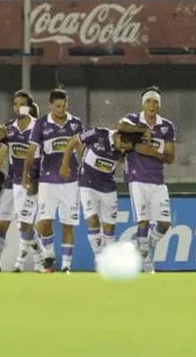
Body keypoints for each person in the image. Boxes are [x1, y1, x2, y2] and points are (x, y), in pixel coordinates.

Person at [22, 89, 85, 273]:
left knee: (68, 224)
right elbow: (32, 151)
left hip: (71, 181)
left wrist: (86, 169)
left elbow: (81, 149)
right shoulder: (41, 124)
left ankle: (66, 265)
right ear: (50, 105)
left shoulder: (76, 123)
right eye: (58, 106)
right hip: (48, 180)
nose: (61, 109)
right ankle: (49, 255)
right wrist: (26, 172)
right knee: (45, 221)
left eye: (64, 105)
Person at [116, 86, 176, 273]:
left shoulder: (166, 126)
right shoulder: (134, 120)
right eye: (149, 101)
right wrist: (142, 131)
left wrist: (153, 153)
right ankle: (147, 265)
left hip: (157, 180)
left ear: (159, 105)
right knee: (142, 221)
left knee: (165, 223)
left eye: (155, 102)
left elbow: (170, 157)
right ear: (143, 104)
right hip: (137, 178)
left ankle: (147, 245)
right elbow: (120, 125)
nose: (152, 105)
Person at [0, 91, 44, 273]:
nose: (18, 107)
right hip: (11, 182)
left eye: (22, 104)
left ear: (29, 106)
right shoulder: (9, 128)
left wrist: (38, 181)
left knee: (24, 225)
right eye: (15, 104)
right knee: (1, 224)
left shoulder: (38, 128)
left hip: (29, 183)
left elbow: (44, 157)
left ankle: (40, 258)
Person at [63, 126, 138, 259]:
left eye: (126, 149)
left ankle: (110, 260)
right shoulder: (99, 134)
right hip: (87, 185)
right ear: (118, 137)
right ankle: (98, 258)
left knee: (109, 228)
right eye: (122, 146)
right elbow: (74, 140)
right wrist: (65, 165)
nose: (122, 150)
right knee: (92, 220)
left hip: (108, 187)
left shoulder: (126, 148)